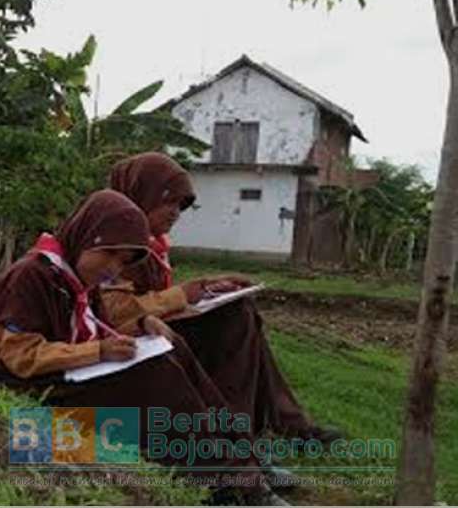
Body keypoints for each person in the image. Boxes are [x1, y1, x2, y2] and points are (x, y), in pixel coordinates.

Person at [0, 189, 288, 506]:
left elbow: (98, 324)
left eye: (122, 262)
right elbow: (20, 356)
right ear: (87, 236)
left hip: (59, 372)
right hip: (17, 380)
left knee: (174, 351)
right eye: (108, 253)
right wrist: (99, 352)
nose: (112, 269)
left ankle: (244, 456)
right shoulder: (32, 275)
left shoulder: (77, 279)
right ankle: (229, 483)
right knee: (156, 377)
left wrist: (145, 323)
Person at [104, 152, 339, 443]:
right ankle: (239, 435)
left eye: (181, 205)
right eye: (167, 201)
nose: (175, 212)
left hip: (152, 330)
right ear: (140, 196)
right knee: (234, 321)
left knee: (242, 313)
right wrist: (183, 294)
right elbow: (113, 311)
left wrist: (207, 287)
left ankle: (283, 423)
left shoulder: (152, 245)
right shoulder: (111, 242)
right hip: (126, 343)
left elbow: (152, 296)